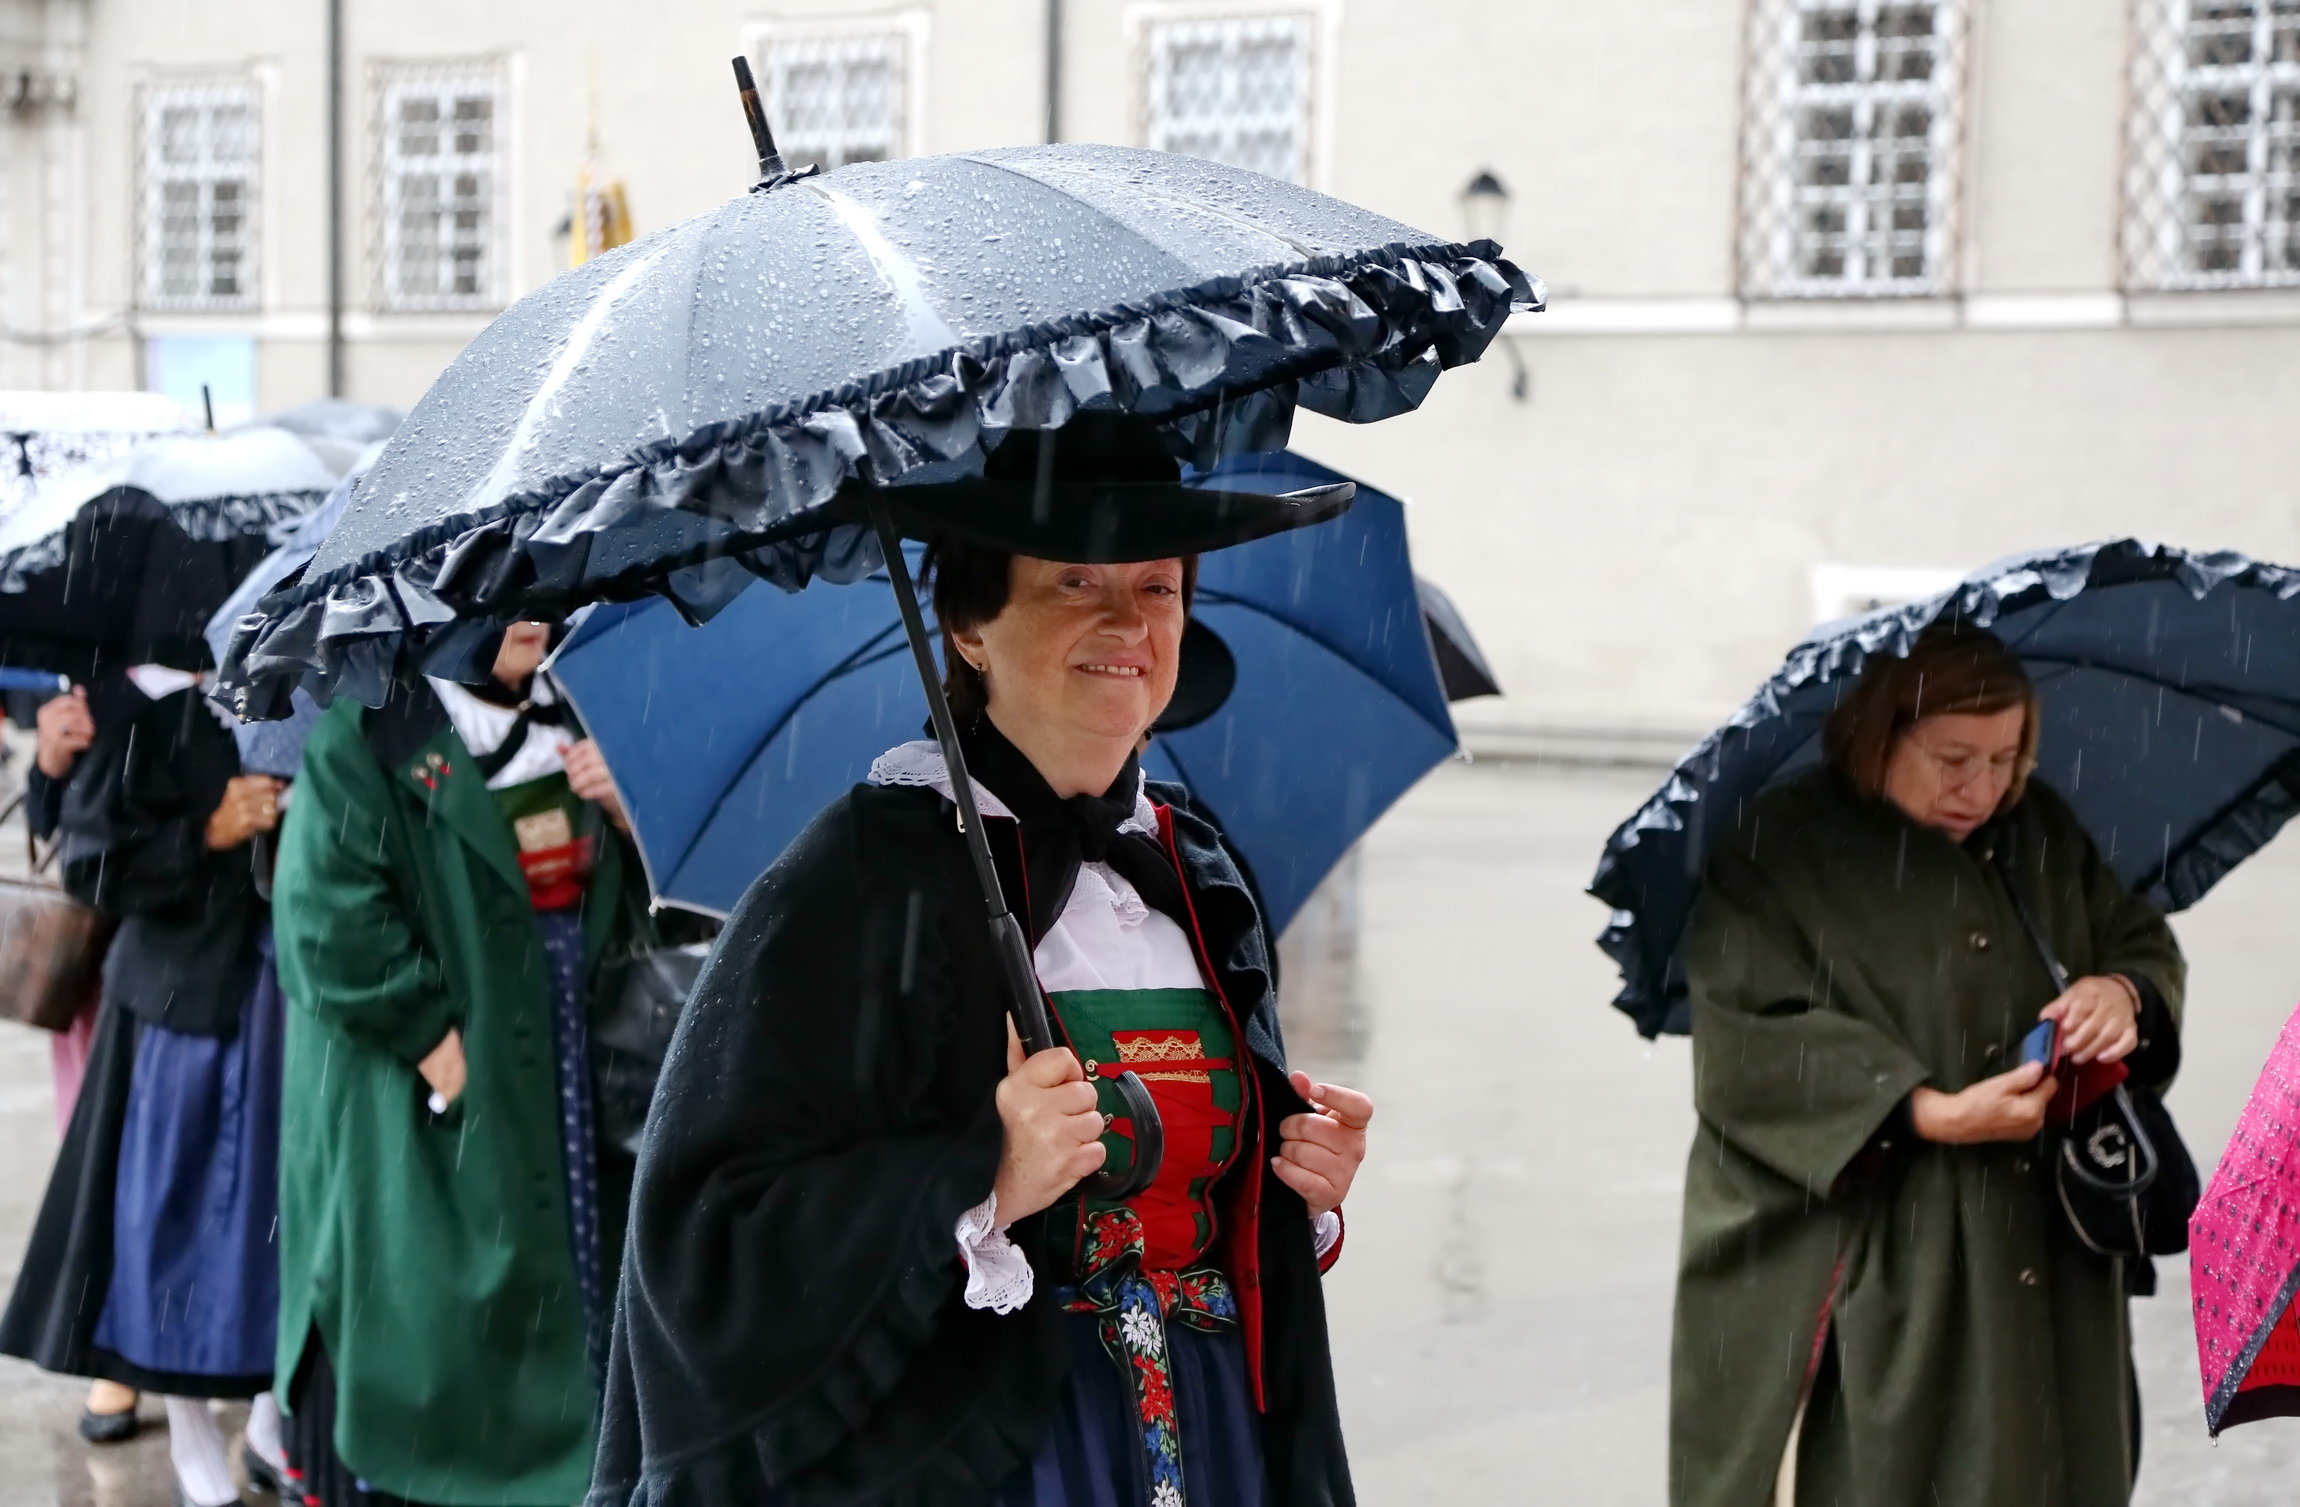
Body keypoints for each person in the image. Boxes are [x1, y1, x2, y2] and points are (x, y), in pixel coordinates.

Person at [588, 516, 1373, 1507]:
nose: (1128, 622)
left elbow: (1214, 1211)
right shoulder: (859, 880)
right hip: (989, 1458)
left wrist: (1298, 1183)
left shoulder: (1197, 870)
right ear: (968, 626)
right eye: (1075, 581)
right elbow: (712, 1237)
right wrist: (986, 1181)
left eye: (1158, 587)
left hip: (1214, 1440)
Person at [1668, 624, 2186, 1507]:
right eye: (1952, 758)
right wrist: (1928, 1111)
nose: (1980, 787)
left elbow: (2136, 938)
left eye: (2005, 758)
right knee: (1881, 1469)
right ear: (1879, 736)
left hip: (2041, 1234)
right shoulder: (1783, 846)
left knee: (2038, 1462)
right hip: (1873, 1247)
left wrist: (2123, 992)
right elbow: (1749, 1038)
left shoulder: (2037, 829)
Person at [271, 621, 661, 1507]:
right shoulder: (368, 733)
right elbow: (327, 921)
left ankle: (582, 1466)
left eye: (540, 592)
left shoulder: (589, 714)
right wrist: (441, 1053)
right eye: (498, 597)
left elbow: (658, 906)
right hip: (446, 1067)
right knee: (444, 1307)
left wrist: (628, 811)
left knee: (584, 1276)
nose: (529, 616)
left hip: (575, 1049)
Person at [0, 670, 293, 1505]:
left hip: (292, 1000)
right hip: (176, 1007)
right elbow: (93, 863)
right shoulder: (139, 713)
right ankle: (191, 1430)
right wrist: (207, 831)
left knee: (281, 1220)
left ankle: (270, 1421)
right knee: (168, 1222)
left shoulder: (313, 695)